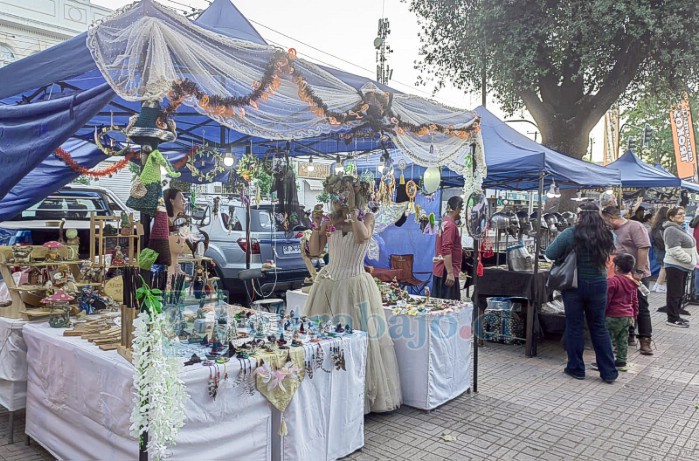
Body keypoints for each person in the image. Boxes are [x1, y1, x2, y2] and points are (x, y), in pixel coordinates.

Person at [305, 175, 401, 413]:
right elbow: (315, 251)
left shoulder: (366, 217)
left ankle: (357, 397)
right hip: (328, 284)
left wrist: (352, 215)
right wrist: (317, 226)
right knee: (325, 340)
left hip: (356, 286)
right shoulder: (330, 220)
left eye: (345, 194)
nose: (340, 200)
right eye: (337, 196)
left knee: (360, 340)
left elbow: (362, 236)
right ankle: (325, 390)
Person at [545, 202, 618, 383]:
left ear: (579, 215)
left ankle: (576, 368)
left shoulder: (570, 234)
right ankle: (608, 372)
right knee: (599, 327)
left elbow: (550, 253)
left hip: (574, 286)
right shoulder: (609, 235)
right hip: (599, 284)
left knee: (575, 326)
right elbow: (610, 252)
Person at [601, 206, 653, 355]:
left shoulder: (635, 226)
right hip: (618, 274)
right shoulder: (612, 232)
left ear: (611, 217)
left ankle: (645, 339)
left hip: (636, 274)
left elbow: (643, 248)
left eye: (605, 220)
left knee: (641, 306)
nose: (605, 224)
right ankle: (629, 335)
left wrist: (639, 271)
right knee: (623, 305)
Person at [602, 253, 640, 372]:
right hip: (627, 316)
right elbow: (635, 301)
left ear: (617, 267)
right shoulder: (632, 283)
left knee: (607, 339)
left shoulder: (612, 281)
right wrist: (634, 314)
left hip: (613, 315)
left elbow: (607, 299)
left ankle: (604, 362)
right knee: (622, 339)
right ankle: (621, 361)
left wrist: (602, 312)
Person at [662, 206, 696, 328]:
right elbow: (674, 250)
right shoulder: (671, 230)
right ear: (671, 217)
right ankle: (672, 318)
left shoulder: (679, 229)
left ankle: (676, 316)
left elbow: (690, 246)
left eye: (683, 213)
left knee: (679, 293)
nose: (683, 215)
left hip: (683, 266)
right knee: (674, 294)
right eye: (679, 214)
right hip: (675, 266)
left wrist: (694, 260)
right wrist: (690, 260)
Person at [432, 196, 464, 300]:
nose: (462, 213)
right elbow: (446, 249)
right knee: (448, 307)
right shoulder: (450, 225)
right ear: (457, 209)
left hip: (443, 268)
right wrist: (450, 273)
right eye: (462, 210)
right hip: (446, 271)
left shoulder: (445, 222)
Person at [650, 206, 669, 293]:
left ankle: (657, 285)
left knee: (663, 266)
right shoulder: (665, 224)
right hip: (664, 248)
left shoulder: (656, 224)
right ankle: (659, 285)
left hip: (657, 247)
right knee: (664, 267)